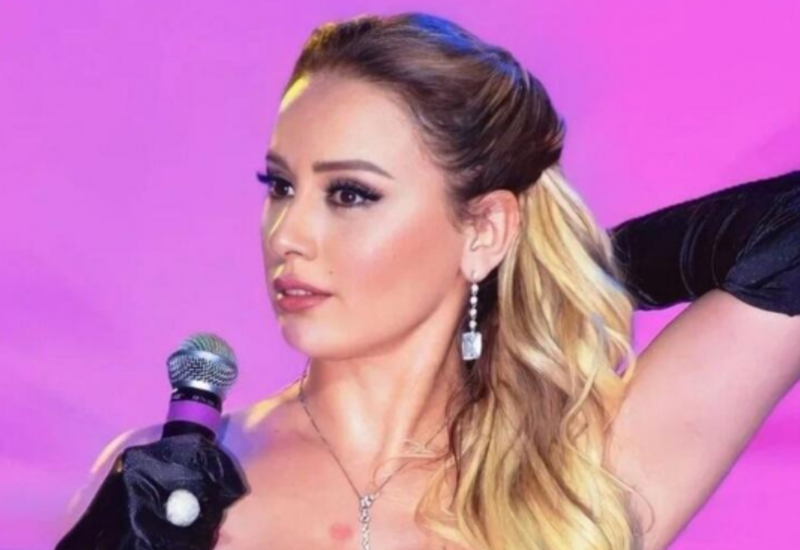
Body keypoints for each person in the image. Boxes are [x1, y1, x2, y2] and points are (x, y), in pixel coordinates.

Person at [60, 12, 800, 550]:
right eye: (281, 187)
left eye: (350, 193)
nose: (287, 233)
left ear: (484, 231)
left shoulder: (576, 470)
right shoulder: (170, 486)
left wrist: (558, 277)